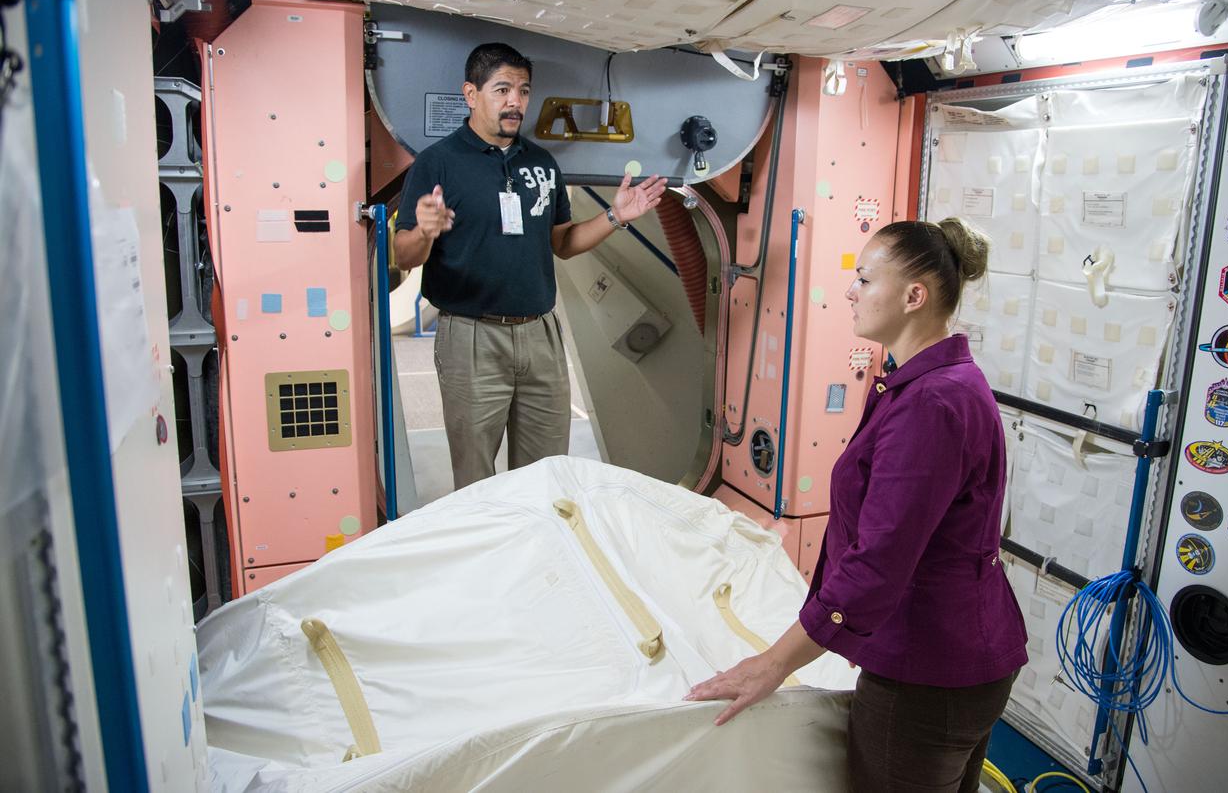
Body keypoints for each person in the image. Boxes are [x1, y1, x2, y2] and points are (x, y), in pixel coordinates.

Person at [686, 218, 1028, 793]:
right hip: (958, 657)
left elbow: (877, 562)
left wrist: (773, 664)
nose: (850, 292)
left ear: (913, 297)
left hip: (926, 674)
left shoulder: (931, 404)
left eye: (865, 280)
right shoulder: (933, 384)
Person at [394, 43, 666, 490]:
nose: (515, 102)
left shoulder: (542, 163)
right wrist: (424, 231)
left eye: (523, 91)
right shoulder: (437, 163)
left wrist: (616, 216)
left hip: (541, 334)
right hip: (472, 337)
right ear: (471, 94)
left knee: (546, 474)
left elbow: (563, 243)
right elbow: (404, 256)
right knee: (476, 480)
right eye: (502, 89)